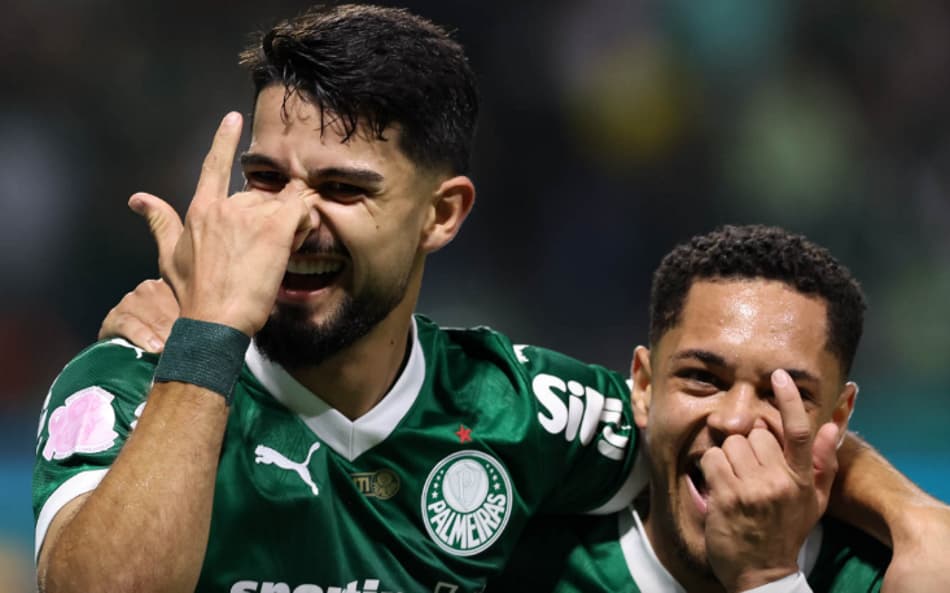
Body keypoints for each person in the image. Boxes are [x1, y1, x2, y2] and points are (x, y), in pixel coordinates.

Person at [32, 5, 950, 593]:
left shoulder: (526, 410)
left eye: (344, 191)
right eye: (265, 180)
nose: (288, 224)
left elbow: (721, 426)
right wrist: (205, 342)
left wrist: (915, 518)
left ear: (442, 213)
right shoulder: (132, 381)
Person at [491, 225, 900, 592]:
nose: (734, 420)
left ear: (838, 417)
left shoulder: (889, 579)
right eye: (703, 378)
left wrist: (768, 577)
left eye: (784, 393)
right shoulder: (513, 564)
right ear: (645, 388)